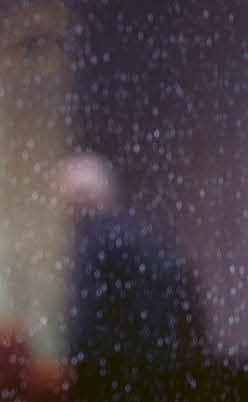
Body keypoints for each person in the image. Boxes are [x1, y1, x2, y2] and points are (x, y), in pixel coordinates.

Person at [56, 152, 206, 402]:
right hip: (155, 371)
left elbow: (87, 318)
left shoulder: (93, 242)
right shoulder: (142, 232)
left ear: (78, 199)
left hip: (111, 373)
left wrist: (81, 368)